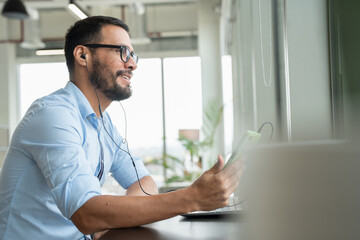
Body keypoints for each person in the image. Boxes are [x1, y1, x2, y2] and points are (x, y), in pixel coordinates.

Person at [0, 16, 242, 240]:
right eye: (122, 52)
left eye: (133, 56)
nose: (132, 65)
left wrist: (108, 218)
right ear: (83, 55)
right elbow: (87, 214)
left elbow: (145, 181)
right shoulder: (53, 115)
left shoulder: (103, 124)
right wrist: (191, 198)